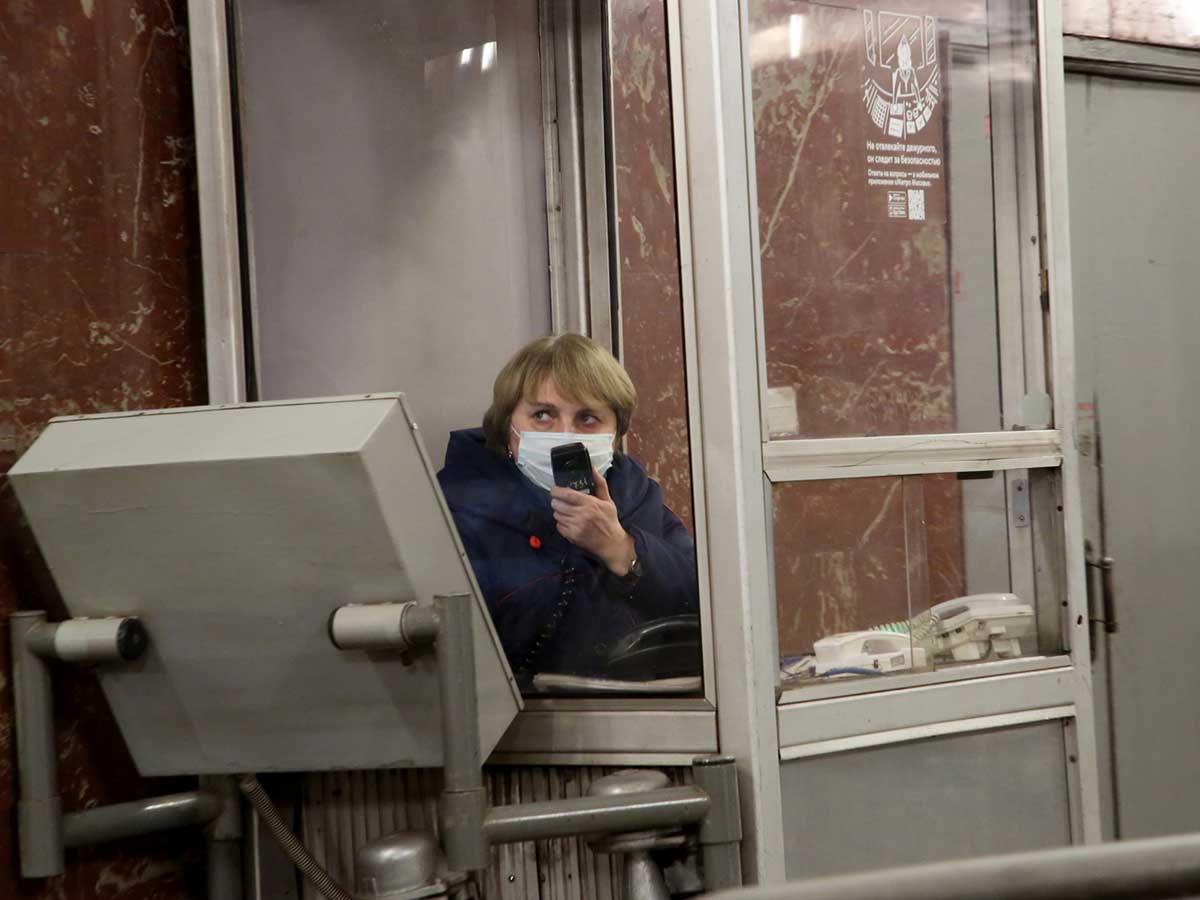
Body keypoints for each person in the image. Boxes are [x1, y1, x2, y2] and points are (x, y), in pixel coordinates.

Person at [437, 334, 699, 687]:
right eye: (543, 415)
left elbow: (704, 604)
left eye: (587, 418)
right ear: (507, 425)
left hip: (641, 706)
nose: (564, 434)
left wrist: (620, 548)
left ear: (616, 432)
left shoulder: (637, 497)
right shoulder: (453, 507)